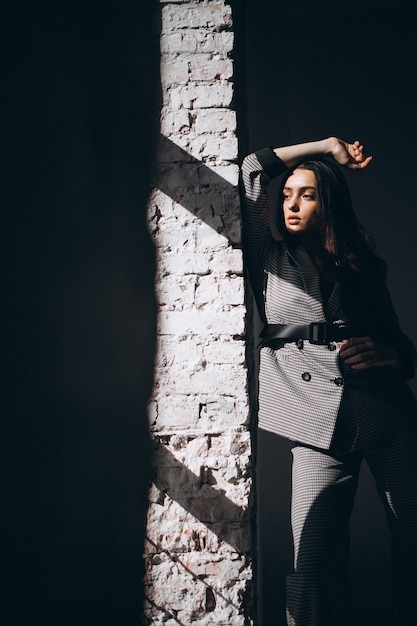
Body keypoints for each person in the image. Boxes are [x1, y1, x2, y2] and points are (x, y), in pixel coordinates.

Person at [239, 137, 417, 626]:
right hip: (316, 424)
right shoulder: (269, 258)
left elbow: (405, 352)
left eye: (308, 194)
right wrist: (327, 146)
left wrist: (387, 353)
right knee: (314, 564)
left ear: (329, 202)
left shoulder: (358, 265)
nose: (291, 204)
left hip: (389, 417)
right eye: (287, 194)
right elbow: (253, 168)